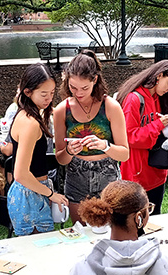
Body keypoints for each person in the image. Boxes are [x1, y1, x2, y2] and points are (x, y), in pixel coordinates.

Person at [53, 50, 129, 224]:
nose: (78, 93)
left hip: (107, 175)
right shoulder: (61, 111)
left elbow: (125, 154)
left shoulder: (110, 106)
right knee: (80, 232)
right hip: (76, 175)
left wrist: (105, 146)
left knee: (110, 230)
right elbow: (61, 159)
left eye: (85, 88)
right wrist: (70, 151)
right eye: (73, 87)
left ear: (95, 80)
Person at [7, 63, 68, 236]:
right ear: (28, 92)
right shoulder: (30, 123)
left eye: (52, 93)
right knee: (39, 250)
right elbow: (21, 173)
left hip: (30, 191)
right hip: (30, 193)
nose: (48, 98)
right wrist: (51, 194)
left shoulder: (24, 113)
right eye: (43, 94)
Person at [116, 60, 168, 215]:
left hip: (157, 171)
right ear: (159, 76)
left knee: (155, 218)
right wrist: (158, 125)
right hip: (137, 175)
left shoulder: (157, 98)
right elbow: (129, 137)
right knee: (137, 222)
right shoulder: (134, 99)